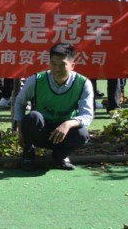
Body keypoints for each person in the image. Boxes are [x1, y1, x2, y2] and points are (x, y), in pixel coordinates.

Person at [14, 43, 94, 171]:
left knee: (82, 134)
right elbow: (20, 102)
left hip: (63, 132)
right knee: (33, 117)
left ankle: (60, 156)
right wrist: (20, 130)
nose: (57, 69)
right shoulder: (36, 79)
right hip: (41, 129)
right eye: (53, 64)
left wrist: (67, 124)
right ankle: (28, 153)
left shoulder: (84, 83)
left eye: (62, 65)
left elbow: (87, 116)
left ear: (72, 66)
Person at [78, 0, 128, 112]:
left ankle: (90, 104)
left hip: (92, 34)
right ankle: (114, 104)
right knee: (114, 71)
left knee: (91, 71)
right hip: (115, 35)